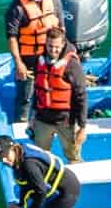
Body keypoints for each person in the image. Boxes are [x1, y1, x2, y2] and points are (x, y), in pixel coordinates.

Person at [5, 0, 64, 121]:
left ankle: (48, 123)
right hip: (28, 61)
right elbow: (12, 37)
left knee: (51, 92)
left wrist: (64, 56)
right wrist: (19, 63)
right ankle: (21, 126)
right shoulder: (17, 8)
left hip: (50, 57)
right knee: (25, 97)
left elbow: (61, 28)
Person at [31, 29, 87, 162]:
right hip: (42, 119)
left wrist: (82, 127)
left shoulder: (72, 65)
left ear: (63, 45)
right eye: (50, 46)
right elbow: (38, 89)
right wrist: (32, 117)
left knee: (73, 157)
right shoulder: (39, 61)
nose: (53, 50)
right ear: (45, 44)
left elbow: (81, 96)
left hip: (66, 121)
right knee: (41, 156)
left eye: (57, 47)